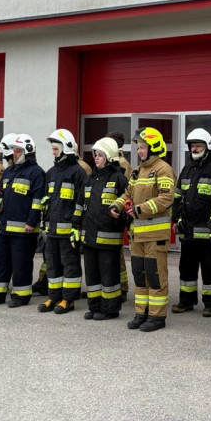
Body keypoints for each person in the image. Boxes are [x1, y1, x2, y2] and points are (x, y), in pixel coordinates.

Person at [110, 127, 176, 332]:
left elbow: (166, 198)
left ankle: (157, 317)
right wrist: (117, 205)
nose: (138, 151)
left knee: (155, 275)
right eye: (138, 148)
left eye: (142, 148)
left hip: (156, 236)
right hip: (137, 236)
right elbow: (127, 193)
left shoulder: (164, 169)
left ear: (153, 147)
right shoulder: (138, 171)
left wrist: (139, 210)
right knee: (139, 275)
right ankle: (142, 312)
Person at [0, 134, 45, 307]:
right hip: (3, 228)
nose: (14, 154)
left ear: (27, 151)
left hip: (24, 231)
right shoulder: (8, 171)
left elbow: (37, 201)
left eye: (18, 151)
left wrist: (31, 222)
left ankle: (21, 296)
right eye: (14, 151)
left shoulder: (36, 173)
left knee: (21, 264)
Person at [78, 136, 129, 320]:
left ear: (109, 157)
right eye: (95, 155)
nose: (96, 158)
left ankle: (110, 309)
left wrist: (120, 217)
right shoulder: (90, 178)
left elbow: (127, 205)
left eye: (100, 155)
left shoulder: (119, 178)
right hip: (90, 237)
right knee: (92, 275)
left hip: (109, 240)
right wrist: (77, 227)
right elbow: (80, 205)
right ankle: (95, 307)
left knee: (109, 277)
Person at [172, 128, 211, 316]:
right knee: (186, 268)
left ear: (207, 147)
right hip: (187, 229)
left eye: (198, 145)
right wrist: (176, 218)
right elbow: (177, 196)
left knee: (210, 268)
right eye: (192, 145)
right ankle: (186, 301)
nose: (195, 148)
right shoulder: (187, 168)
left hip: (207, 230)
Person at [38, 129, 88, 314]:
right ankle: (54, 296)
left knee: (70, 264)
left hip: (69, 230)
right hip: (52, 230)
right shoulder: (50, 173)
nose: (53, 152)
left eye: (55, 149)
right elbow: (47, 199)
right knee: (52, 264)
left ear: (66, 148)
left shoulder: (78, 172)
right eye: (52, 149)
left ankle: (69, 299)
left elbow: (82, 202)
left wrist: (78, 227)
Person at [108, 130, 131, 303]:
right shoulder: (116, 161)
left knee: (117, 252)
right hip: (111, 209)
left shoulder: (121, 163)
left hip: (117, 210)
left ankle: (122, 287)